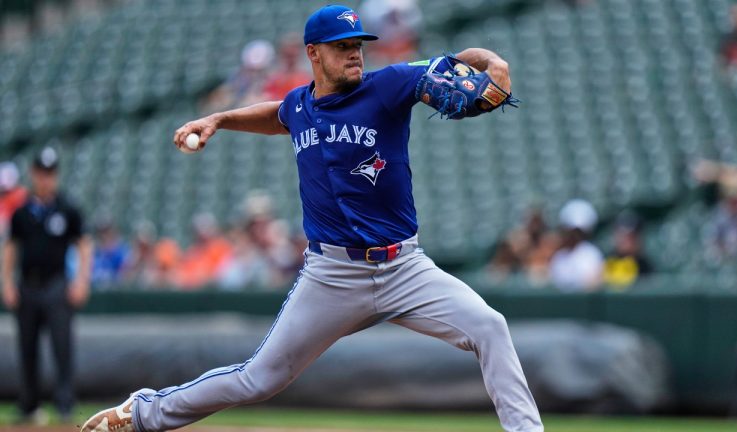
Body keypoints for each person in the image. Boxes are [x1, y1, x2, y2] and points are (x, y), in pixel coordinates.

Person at [80, 5, 542, 432]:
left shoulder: (389, 85)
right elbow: (277, 115)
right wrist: (219, 119)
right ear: (313, 53)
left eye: (358, 45)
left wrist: (486, 60)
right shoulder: (300, 105)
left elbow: (454, 68)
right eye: (343, 47)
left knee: (490, 326)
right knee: (258, 379)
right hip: (333, 275)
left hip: (405, 267)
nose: (355, 55)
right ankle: (142, 414)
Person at [2, 147, 92, 424]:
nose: (45, 179)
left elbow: (84, 245)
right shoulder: (22, 211)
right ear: (33, 174)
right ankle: (29, 405)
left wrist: (81, 281)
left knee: (62, 346)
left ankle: (65, 404)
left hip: (56, 285)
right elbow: (11, 248)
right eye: (41, 173)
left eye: (50, 173)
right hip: (27, 285)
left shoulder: (67, 208)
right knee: (27, 347)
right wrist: (6, 282)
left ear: (56, 176)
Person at [549, 199, 604, 291]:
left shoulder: (591, 254)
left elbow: (593, 284)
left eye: (576, 232)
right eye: (568, 231)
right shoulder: (559, 256)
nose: (571, 235)